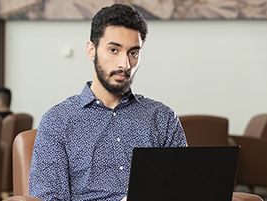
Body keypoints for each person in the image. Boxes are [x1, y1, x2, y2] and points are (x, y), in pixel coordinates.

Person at [29, 3, 187, 201]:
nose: (125, 64)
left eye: (133, 53)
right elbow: (48, 198)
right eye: (114, 50)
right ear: (91, 50)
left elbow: (183, 189)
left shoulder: (162, 118)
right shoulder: (58, 121)